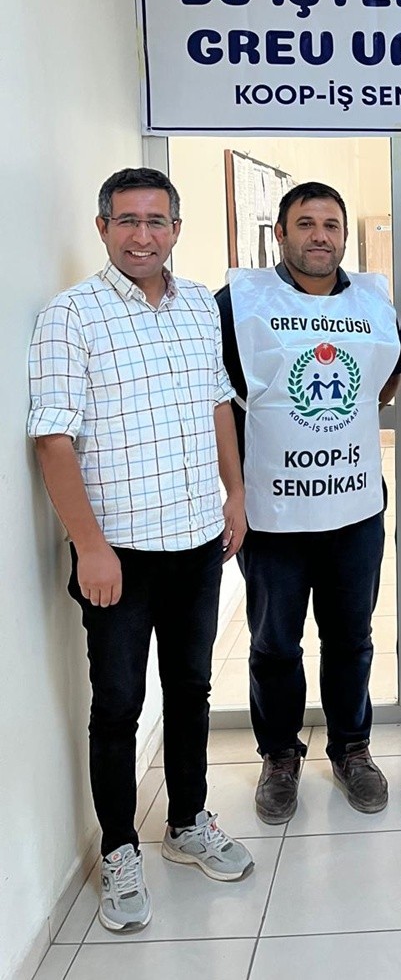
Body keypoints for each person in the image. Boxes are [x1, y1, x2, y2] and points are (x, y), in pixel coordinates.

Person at [28, 168, 253, 935]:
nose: (142, 234)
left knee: (190, 688)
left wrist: (235, 492)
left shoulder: (197, 306)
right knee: (119, 703)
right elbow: (53, 439)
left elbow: (217, 401)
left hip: (196, 540)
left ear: (176, 230)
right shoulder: (71, 315)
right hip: (117, 554)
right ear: (103, 228)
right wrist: (89, 545)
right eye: (127, 220)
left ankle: (187, 820)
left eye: (157, 220)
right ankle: (120, 847)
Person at [216, 182, 401, 823]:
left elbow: (383, 382)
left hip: (354, 507)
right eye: (305, 223)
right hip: (274, 512)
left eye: (331, 225)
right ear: (280, 233)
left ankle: (352, 748)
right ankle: (279, 756)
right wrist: (234, 490)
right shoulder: (240, 303)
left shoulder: (371, 301)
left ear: (344, 236)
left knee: (351, 637)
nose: (320, 236)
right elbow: (219, 400)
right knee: (274, 642)